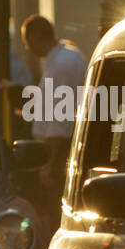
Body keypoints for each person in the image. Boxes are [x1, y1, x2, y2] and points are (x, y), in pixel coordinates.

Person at [17, 15, 87, 224]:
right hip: (62, 147)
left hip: (58, 152)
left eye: (28, 43)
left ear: (36, 38)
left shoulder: (60, 66)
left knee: (55, 213)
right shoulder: (67, 57)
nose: (29, 49)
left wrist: (48, 163)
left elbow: (58, 122)